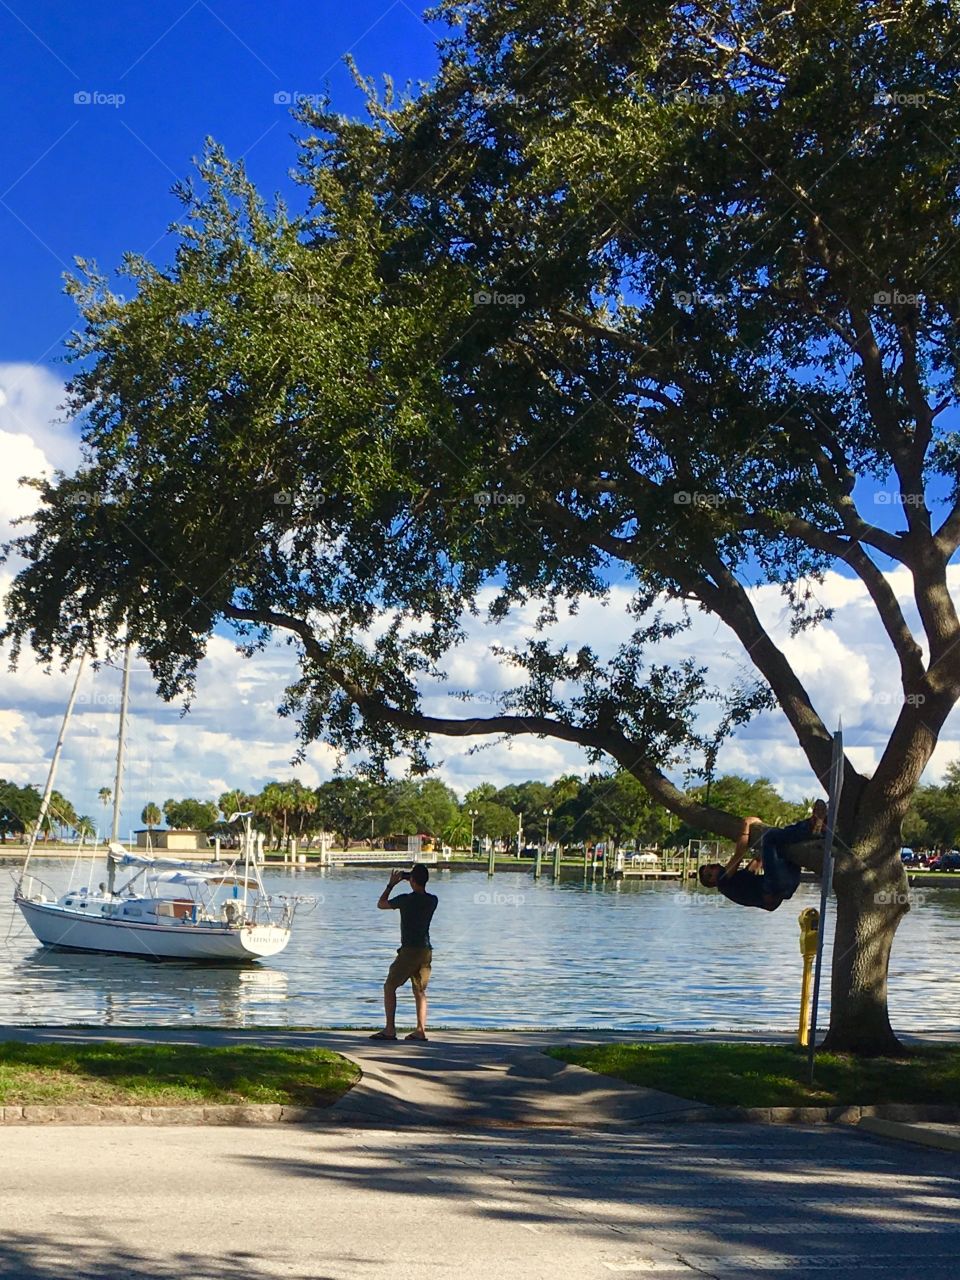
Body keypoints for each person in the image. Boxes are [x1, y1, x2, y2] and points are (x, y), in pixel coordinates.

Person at [698, 800, 828, 911]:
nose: (713, 868)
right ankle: (810, 826)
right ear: (713, 882)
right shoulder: (723, 882)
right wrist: (746, 825)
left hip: (787, 887)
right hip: (775, 885)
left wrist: (764, 851)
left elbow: (756, 863)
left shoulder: (735, 884)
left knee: (784, 842)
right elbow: (739, 854)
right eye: (710, 874)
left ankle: (819, 829)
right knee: (769, 837)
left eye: (711, 866)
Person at [370, 863, 438, 1042]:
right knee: (420, 991)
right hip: (425, 950)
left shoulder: (405, 900)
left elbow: (381, 904)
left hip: (409, 951)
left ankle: (390, 1029)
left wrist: (391, 884)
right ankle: (420, 1030)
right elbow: (420, 887)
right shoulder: (433, 900)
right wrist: (412, 878)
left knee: (390, 986)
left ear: (412, 881)